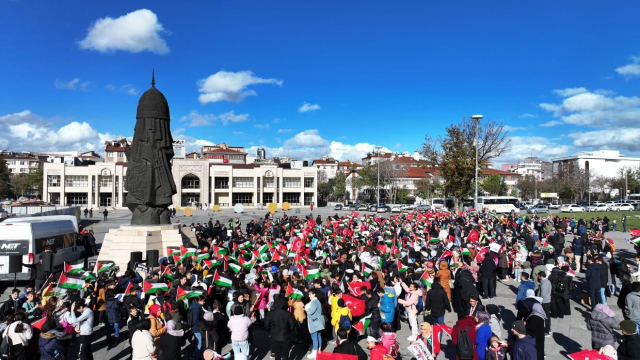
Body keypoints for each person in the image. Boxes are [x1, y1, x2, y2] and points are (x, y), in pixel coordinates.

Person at [265, 296, 296, 360]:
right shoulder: (288, 314)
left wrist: (271, 329)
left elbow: (266, 325)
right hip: (285, 335)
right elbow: (292, 325)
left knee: (277, 353)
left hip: (274, 336)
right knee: (285, 354)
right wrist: (288, 330)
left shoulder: (270, 313)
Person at [305, 289, 325, 359]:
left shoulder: (314, 302)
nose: (309, 295)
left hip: (315, 322)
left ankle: (315, 353)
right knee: (318, 336)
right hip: (318, 322)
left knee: (314, 338)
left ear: (314, 294)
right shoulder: (316, 301)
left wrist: (306, 307)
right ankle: (318, 351)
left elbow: (310, 311)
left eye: (310, 294)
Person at [189, 295, 206, 359]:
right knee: (199, 343)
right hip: (197, 328)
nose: (204, 302)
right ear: (199, 301)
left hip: (195, 328)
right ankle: (196, 357)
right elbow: (195, 320)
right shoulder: (197, 307)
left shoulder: (194, 306)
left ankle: (194, 356)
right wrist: (202, 324)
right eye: (203, 301)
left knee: (198, 342)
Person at [536, 271, 551, 336]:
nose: (538, 277)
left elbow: (543, 294)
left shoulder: (544, 283)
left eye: (538, 276)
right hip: (547, 301)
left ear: (541, 276)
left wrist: (539, 301)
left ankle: (547, 330)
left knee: (545, 316)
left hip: (544, 302)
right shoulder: (547, 281)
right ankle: (548, 328)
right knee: (547, 316)